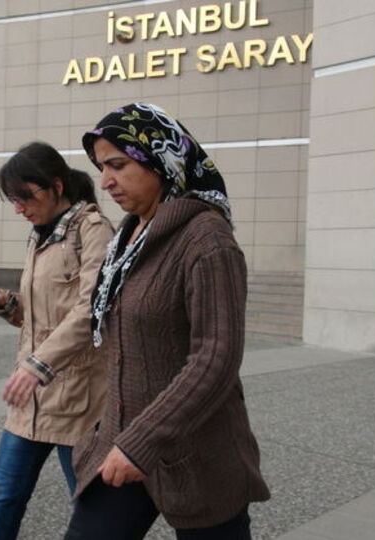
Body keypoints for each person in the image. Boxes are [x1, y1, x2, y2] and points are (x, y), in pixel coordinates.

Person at [64, 103, 270, 539]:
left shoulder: (207, 238)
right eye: (102, 167)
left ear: (161, 159)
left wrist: (144, 443)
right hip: (120, 445)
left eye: (118, 165)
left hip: (199, 452)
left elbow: (217, 355)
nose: (106, 181)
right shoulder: (128, 235)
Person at [0, 142, 114, 540]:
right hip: (28, 400)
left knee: (91, 511)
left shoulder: (93, 229)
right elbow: (36, 315)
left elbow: (91, 310)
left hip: (77, 399)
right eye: (14, 200)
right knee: (0, 505)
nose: (19, 208)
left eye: (24, 197)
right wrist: (3, 302)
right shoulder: (39, 235)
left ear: (56, 186)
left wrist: (38, 365)